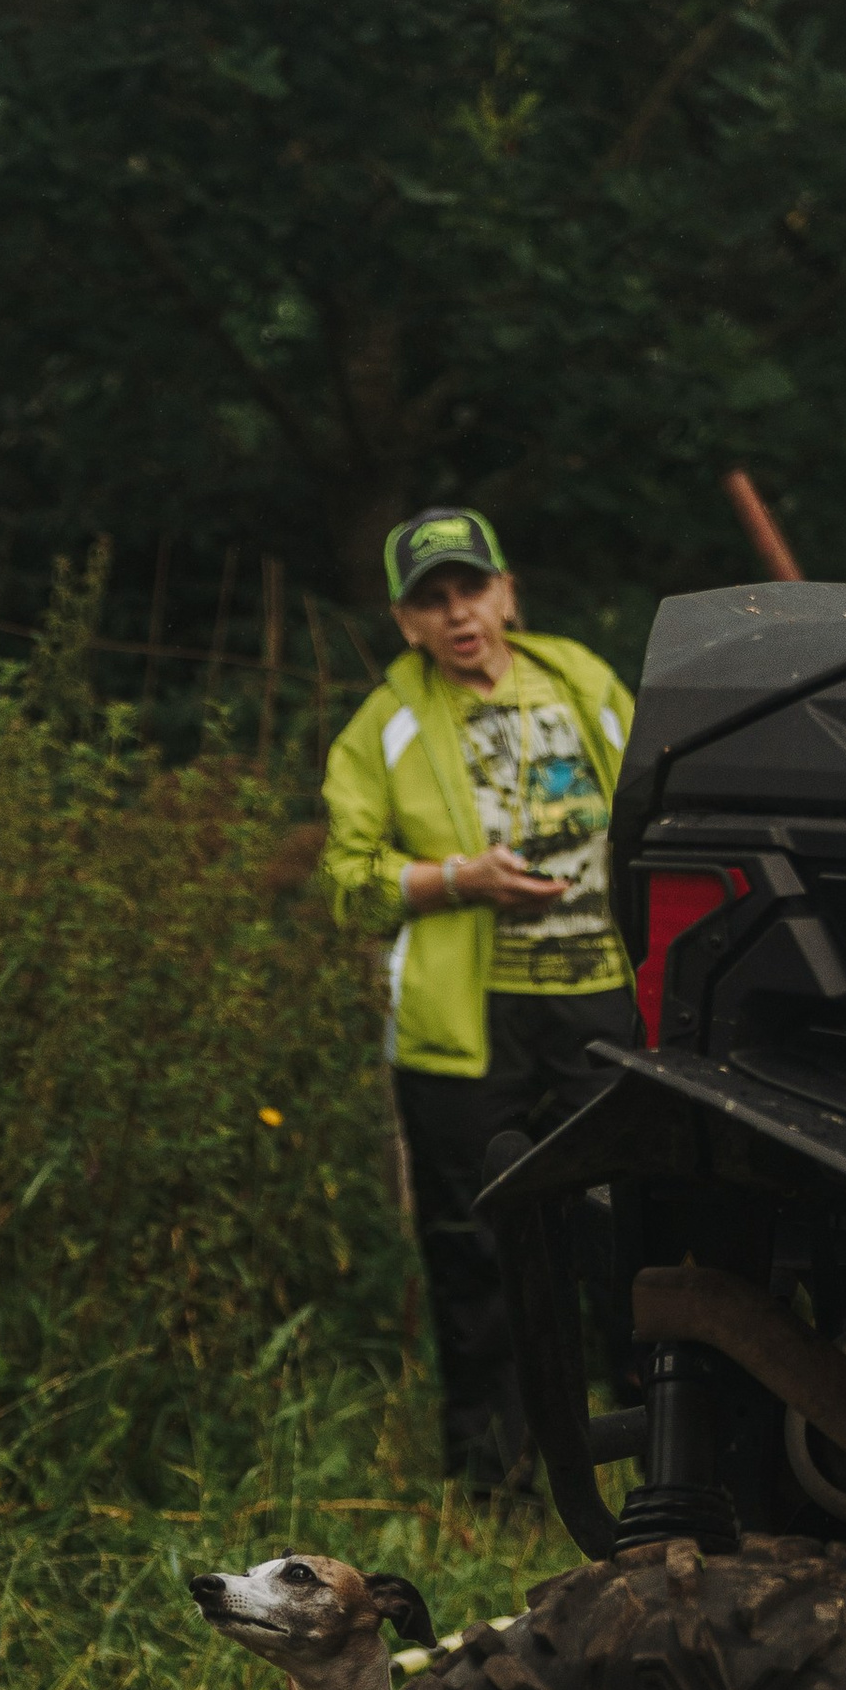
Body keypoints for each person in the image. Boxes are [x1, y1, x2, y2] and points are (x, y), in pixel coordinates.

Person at [322, 506, 638, 1488]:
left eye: (471, 589)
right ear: (403, 619)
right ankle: (491, 1481)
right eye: (432, 599)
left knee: (625, 1233)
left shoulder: (581, 678)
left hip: (601, 1003)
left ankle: (656, 1462)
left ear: (506, 592)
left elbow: (653, 795)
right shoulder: (385, 725)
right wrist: (459, 878)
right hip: (466, 1032)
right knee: (478, 1253)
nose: (458, 614)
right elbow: (348, 879)